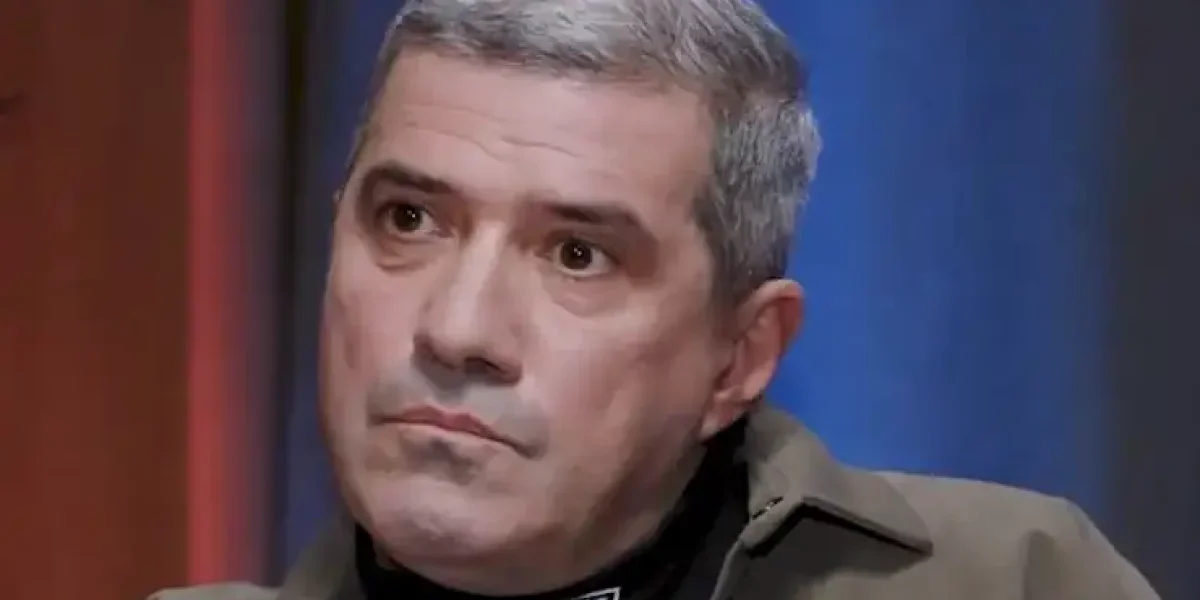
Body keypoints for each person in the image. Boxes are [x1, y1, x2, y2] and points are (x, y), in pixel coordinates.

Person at [152, 1, 1160, 598]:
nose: (456, 329)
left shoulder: (1014, 583)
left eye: (577, 254)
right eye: (410, 220)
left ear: (741, 356)